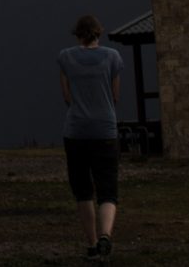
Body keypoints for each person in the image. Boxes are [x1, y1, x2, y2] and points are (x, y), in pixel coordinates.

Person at [58, 13, 124, 259]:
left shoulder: (65, 58)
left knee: (83, 190)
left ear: (77, 34)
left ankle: (92, 243)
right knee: (108, 190)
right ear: (99, 33)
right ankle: (106, 234)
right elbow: (116, 96)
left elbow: (66, 96)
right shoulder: (113, 58)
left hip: (75, 132)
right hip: (105, 130)